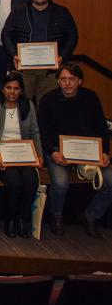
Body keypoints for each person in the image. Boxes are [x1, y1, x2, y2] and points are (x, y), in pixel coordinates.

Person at [37, 63, 111, 238]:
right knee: (61, 182)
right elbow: (42, 131)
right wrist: (53, 152)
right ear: (58, 81)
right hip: (57, 152)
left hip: (89, 153)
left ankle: (91, 215)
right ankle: (56, 216)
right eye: (63, 79)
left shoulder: (91, 98)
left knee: (111, 180)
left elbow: (101, 128)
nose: (67, 83)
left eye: (72, 79)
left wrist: (105, 152)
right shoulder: (48, 100)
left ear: (80, 81)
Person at [0, 72, 43, 238]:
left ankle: (22, 219)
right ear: (2, 89)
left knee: (31, 180)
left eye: (16, 88)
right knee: (14, 182)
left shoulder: (28, 106)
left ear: (21, 91)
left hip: (24, 155)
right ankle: (9, 219)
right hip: (1, 156)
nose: (12, 92)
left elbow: (35, 132)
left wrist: (39, 156)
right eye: (8, 88)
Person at [2, 0, 78, 104]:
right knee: (22, 104)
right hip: (24, 69)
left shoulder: (62, 12)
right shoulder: (19, 11)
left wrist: (62, 57)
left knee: (49, 104)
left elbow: (73, 36)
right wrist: (14, 54)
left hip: (50, 70)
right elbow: (6, 35)